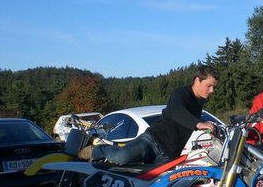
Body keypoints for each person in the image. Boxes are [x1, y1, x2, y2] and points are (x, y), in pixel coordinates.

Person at [78, 65, 219, 164]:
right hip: (152, 141)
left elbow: (187, 121)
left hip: (169, 155)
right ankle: (96, 151)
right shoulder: (181, 93)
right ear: (197, 81)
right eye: (209, 86)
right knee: (122, 157)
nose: (212, 91)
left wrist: (211, 128)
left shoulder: (199, 101)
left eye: (214, 87)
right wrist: (198, 123)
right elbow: (177, 112)